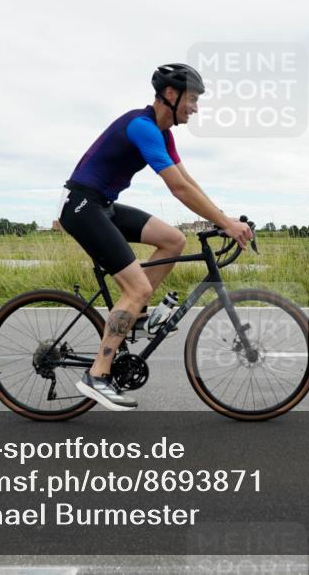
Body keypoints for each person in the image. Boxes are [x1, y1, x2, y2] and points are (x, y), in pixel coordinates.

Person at [59, 63, 254, 411]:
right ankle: (98, 374)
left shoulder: (165, 134)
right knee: (138, 288)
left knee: (174, 240)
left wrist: (223, 217)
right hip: (81, 206)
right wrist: (224, 222)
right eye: (192, 99)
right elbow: (177, 188)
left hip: (102, 204)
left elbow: (187, 180)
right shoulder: (143, 127)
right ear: (170, 94)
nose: (195, 107)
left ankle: (134, 314)